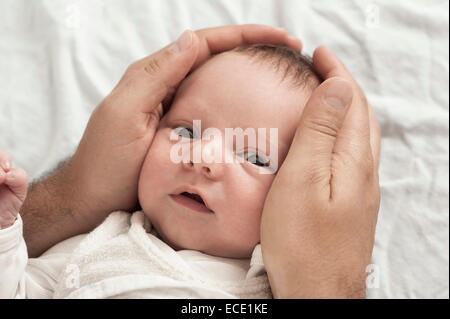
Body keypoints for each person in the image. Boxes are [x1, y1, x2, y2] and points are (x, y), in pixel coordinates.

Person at [0, 25, 380, 298]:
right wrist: (5, 234)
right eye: (186, 132)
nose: (204, 158)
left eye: (254, 156)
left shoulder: (272, 284)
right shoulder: (96, 244)